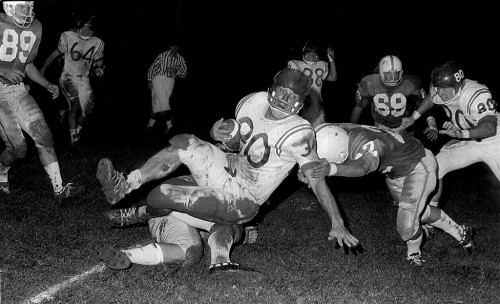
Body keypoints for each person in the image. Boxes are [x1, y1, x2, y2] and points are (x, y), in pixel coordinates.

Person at [96, 68, 360, 252]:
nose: (283, 98)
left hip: (244, 198)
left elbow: (316, 180)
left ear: (300, 104)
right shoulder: (253, 101)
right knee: (184, 140)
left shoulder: (300, 132)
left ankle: (142, 214)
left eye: (292, 96)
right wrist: (216, 135)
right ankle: (124, 185)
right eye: (281, 91)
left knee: (159, 196)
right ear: (272, 88)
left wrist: (337, 222)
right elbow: (234, 142)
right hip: (228, 169)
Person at [303, 123, 475, 266]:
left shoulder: (367, 144)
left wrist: (332, 168)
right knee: (420, 213)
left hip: (418, 166)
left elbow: (362, 167)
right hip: (396, 170)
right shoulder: (338, 131)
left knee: (406, 226)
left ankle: (413, 254)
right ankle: (460, 232)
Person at [397, 60, 500, 225]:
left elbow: (489, 127)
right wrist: (414, 117)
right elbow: (432, 97)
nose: (441, 93)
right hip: (470, 141)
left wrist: (462, 132)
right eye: (438, 88)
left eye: (445, 89)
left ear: (458, 85)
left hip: (494, 142)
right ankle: (431, 217)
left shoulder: (476, 94)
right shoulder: (441, 90)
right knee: (435, 167)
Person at [0, 1, 84, 201]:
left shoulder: (35, 27)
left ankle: (60, 189)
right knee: (19, 150)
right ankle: (2, 171)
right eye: (22, 7)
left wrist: (46, 84)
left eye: (29, 6)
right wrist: (2, 71)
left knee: (44, 135)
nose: (27, 12)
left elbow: (27, 64)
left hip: (17, 90)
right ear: (9, 7)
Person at [99, 175, 262, 278]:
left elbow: (211, 229)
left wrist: (243, 233)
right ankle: (141, 212)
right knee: (229, 227)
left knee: (193, 252)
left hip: (165, 215)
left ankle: (128, 254)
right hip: (166, 209)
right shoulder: (211, 185)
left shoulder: (228, 194)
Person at [40, 14, 105, 146]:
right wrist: (42, 70)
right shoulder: (68, 37)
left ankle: (77, 132)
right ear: (78, 28)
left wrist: (101, 69)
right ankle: (73, 135)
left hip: (84, 79)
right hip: (68, 76)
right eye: (83, 27)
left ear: (93, 31)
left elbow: (100, 63)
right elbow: (53, 55)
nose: (86, 31)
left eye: (89, 28)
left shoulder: (97, 43)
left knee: (87, 112)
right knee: (75, 105)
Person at [350, 55, 425, 134]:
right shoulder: (369, 83)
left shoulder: (410, 83)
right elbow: (358, 108)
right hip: (380, 126)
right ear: (380, 73)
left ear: (401, 73)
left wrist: (430, 123)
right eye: (388, 75)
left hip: (403, 126)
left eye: (395, 74)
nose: (392, 79)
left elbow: (423, 104)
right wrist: (351, 128)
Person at [287, 41, 337, 128]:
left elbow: (333, 78)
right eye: (308, 53)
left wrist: (331, 60)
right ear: (303, 55)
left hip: (316, 104)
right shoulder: (295, 64)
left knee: (319, 130)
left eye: (314, 53)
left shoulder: (321, 65)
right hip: (300, 103)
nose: (311, 56)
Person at [146, 42, 187, 135]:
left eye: (176, 46)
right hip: (158, 79)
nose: (174, 48)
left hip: (171, 81)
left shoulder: (180, 59)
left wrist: (176, 71)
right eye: (173, 46)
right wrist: (149, 80)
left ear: (178, 47)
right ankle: (170, 127)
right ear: (170, 46)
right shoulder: (162, 55)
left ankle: (149, 127)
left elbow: (184, 73)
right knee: (165, 102)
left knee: (158, 104)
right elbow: (153, 67)